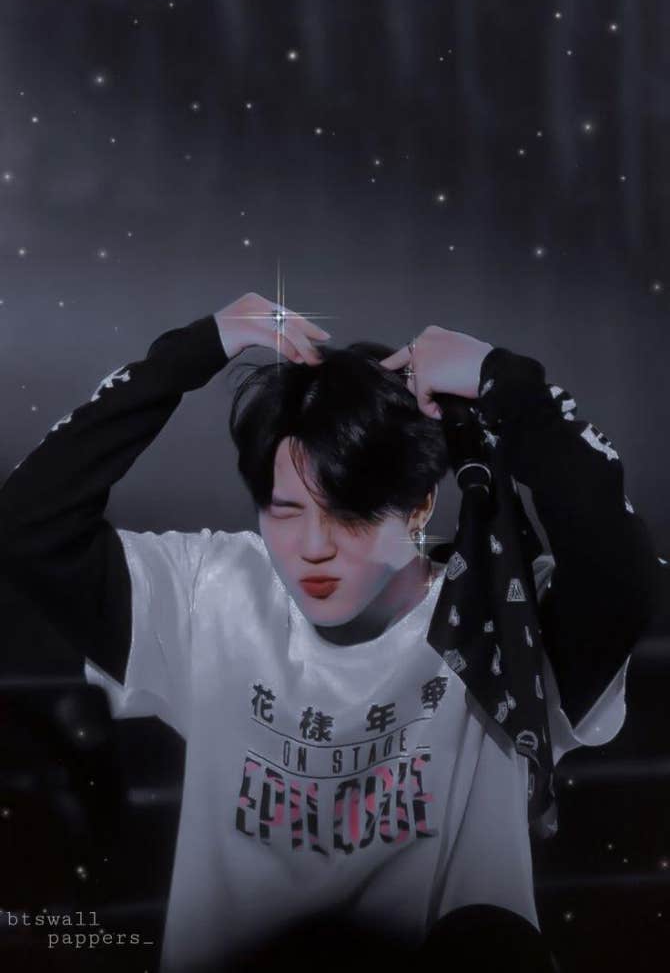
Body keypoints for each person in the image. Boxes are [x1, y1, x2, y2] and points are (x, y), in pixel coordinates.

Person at [0, 291, 660, 973]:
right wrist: (191, 351)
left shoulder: (496, 615)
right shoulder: (211, 594)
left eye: (349, 512)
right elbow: (30, 523)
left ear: (420, 504)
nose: (313, 548)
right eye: (284, 510)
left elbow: (623, 574)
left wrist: (505, 382)